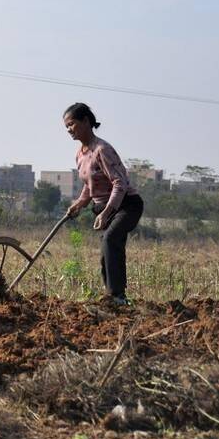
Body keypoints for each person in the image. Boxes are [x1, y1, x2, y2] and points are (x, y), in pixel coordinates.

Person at [63, 102, 143, 306]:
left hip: (126, 205)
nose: (69, 130)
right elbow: (90, 187)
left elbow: (120, 183)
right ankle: (114, 296)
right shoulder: (80, 154)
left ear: (86, 121)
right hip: (103, 207)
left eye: (72, 124)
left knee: (110, 240)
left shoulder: (102, 150)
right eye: (66, 127)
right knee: (108, 250)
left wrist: (107, 212)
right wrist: (78, 205)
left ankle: (117, 296)